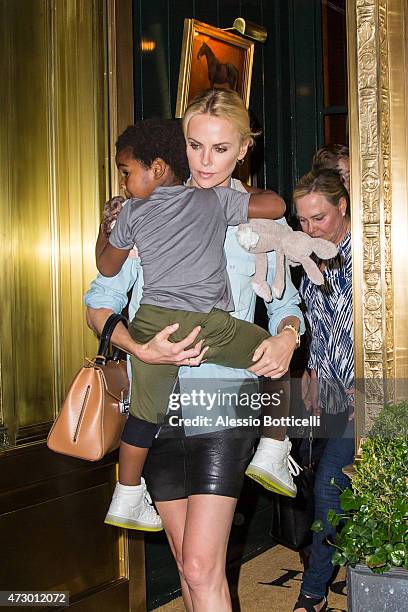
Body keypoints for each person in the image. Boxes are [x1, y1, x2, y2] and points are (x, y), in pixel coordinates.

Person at [85, 88, 304, 610]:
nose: (206, 162)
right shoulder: (149, 211)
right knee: (189, 566)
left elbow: (285, 305)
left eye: (220, 149)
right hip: (154, 411)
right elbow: (99, 301)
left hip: (223, 409)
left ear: (242, 150)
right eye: (195, 146)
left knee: (204, 565)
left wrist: (286, 338)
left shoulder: (258, 220)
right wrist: (139, 344)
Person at [95, 118, 287, 529]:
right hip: (203, 324)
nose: (125, 182)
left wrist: (106, 230)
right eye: (196, 146)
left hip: (152, 326)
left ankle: (126, 495)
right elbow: (276, 205)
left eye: (127, 172)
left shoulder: (131, 211)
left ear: (158, 168)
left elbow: (106, 265)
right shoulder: (212, 203)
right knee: (264, 353)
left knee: (142, 420)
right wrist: (234, 196)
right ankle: (274, 448)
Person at [292, 168, 354, 612]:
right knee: (328, 483)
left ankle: (312, 594)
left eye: (319, 218)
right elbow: (320, 323)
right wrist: (313, 367)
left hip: (373, 394)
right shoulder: (309, 256)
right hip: (330, 389)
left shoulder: (374, 255)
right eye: (303, 221)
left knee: (330, 488)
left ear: (343, 207)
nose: (310, 229)